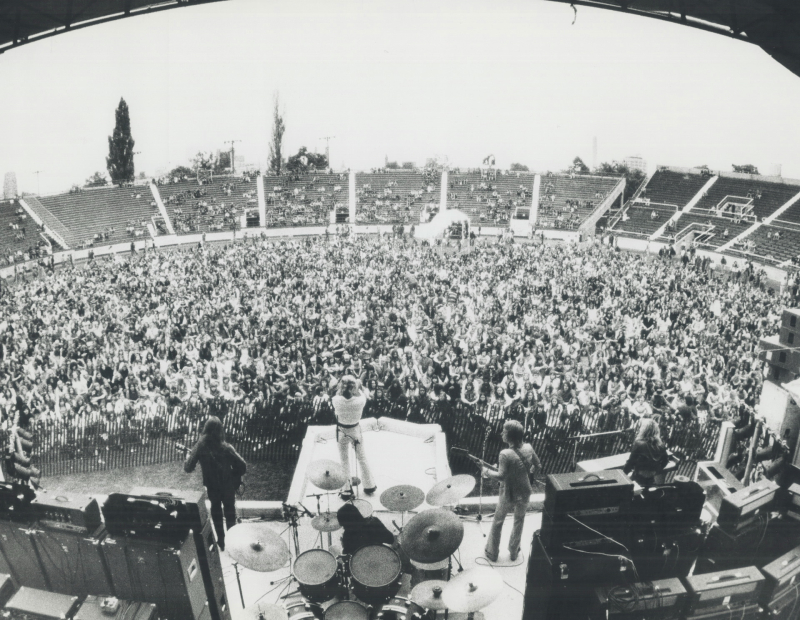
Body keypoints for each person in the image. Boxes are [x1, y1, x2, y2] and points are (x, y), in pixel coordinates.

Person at [184, 416, 247, 550]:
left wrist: (187, 458)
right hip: (228, 486)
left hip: (212, 487)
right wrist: (233, 475)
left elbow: (188, 467)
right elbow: (243, 466)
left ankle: (222, 542)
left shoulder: (200, 445)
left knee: (216, 511)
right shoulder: (226, 447)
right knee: (230, 512)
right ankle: (232, 543)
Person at [482, 420, 540, 562]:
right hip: (525, 491)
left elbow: (501, 476)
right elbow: (537, 465)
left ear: (511, 436)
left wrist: (487, 471)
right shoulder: (528, 447)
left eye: (504, 431)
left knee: (498, 521)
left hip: (508, 493)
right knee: (519, 520)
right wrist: (528, 473)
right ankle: (514, 552)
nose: (501, 433)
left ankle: (492, 552)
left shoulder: (505, 453)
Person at [332, 375, 377, 496]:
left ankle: (346, 490)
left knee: (344, 460)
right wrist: (358, 385)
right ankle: (369, 485)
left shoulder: (336, 400)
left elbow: (337, 392)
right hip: (355, 430)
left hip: (342, 430)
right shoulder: (360, 401)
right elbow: (362, 392)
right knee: (362, 458)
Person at [623, 417, 668, 488]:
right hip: (651, 478)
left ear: (643, 430)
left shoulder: (639, 444)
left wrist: (624, 474)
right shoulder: (661, 445)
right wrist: (654, 470)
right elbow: (665, 461)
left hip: (638, 477)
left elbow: (630, 462)